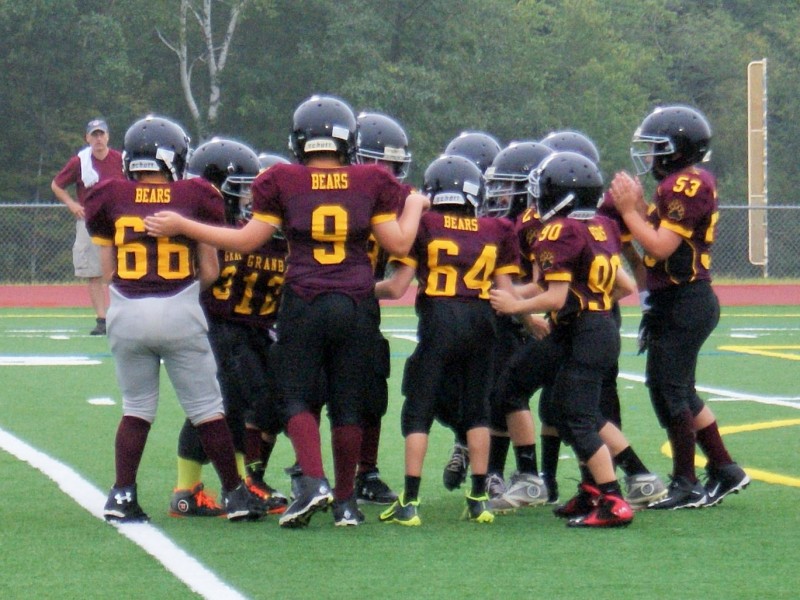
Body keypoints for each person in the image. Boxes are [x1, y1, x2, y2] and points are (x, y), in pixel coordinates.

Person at [143, 95, 430, 528]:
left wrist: (183, 225)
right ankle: (346, 503)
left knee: (294, 394)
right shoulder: (370, 179)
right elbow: (400, 245)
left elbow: (244, 241)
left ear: (300, 141)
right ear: (347, 141)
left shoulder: (282, 179)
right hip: (356, 300)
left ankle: (313, 481)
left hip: (304, 298)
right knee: (349, 406)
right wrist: (413, 206)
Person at [85, 115, 266, 523]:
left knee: (136, 409)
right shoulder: (195, 195)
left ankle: (121, 494)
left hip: (126, 311)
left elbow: (108, 270)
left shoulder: (109, 195)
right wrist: (181, 294)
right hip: (180, 307)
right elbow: (211, 271)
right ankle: (235, 494)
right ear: (174, 159)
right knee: (206, 409)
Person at [610, 104, 750, 509]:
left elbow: (658, 245)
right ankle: (724, 469)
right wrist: (633, 215)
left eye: (656, 148)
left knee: (668, 390)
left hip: (686, 300)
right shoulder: (676, 185)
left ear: (678, 149)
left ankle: (686, 483)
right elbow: (649, 254)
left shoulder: (689, 184)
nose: (650, 157)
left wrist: (627, 212)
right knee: (680, 391)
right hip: (677, 299)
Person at [490, 151, 636, 528]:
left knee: (578, 416)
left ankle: (612, 497)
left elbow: (553, 297)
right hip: (586, 328)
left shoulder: (560, 229)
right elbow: (625, 285)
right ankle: (591, 492)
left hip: (585, 332)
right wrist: (583, 303)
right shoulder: (601, 225)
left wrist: (512, 305)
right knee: (513, 382)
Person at [376, 154, 521, 526]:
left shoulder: (425, 224)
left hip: (440, 321)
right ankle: (479, 499)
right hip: (482, 322)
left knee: (419, 410)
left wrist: (356, 290)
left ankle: (409, 502)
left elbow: (396, 287)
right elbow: (507, 295)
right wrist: (533, 317)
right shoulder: (498, 229)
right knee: (477, 410)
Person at [169, 138, 287, 518]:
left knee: (240, 406)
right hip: (215, 326)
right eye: (242, 190)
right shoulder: (203, 229)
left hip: (254, 330)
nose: (251, 200)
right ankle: (186, 490)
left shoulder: (256, 232)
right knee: (213, 406)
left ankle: (238, 484)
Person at [438, 129, 502, 491]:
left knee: (500, 394)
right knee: (440, 392)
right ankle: (465, 440)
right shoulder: (448, 217)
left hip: (500, 315)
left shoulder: (505, 220)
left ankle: (493, 470)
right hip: (458, 314)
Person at [51, 118, 125, 335]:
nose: (98, 139)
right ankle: (102, 319)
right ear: (87, 138)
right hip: (90, 221)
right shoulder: (79, 162)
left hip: (118, 220)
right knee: (93, 273)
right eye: (94, 135)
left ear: (108, 136)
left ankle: (122, 316)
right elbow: (57, 185)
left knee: (123, 270)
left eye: (101, 134)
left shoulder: (120, 160)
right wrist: (72, 204)